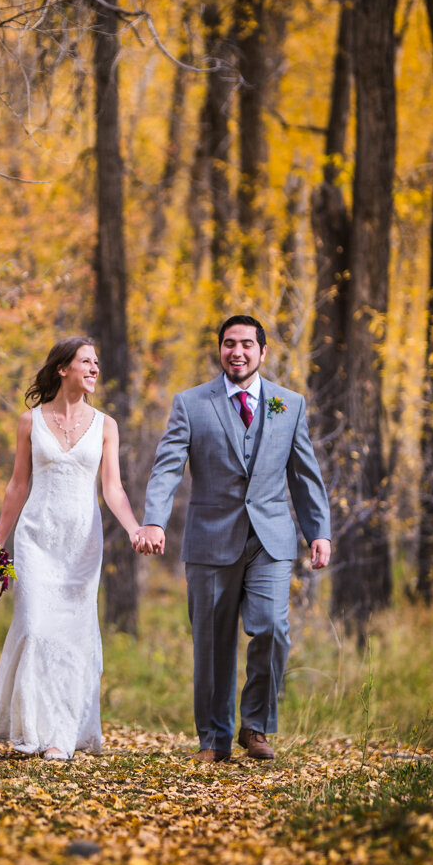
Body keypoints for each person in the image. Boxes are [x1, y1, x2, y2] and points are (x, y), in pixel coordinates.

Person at [135, 315, 332, 762]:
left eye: (246, 344)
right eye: (228, 344)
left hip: (271, 539)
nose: (236, 352)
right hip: (210, 540)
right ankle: (214, 740)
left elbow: (304, 473)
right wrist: (155, 521)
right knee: (211, 641)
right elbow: (167, 467)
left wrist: (317, 531)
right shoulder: (191, 403)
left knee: (273, 629)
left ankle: (256, 726)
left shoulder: (288, 404)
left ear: (263, 353)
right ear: (219, 350)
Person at [0, 338, 145, 760]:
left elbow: (113, 489)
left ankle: (62, 735)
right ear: (62, 369)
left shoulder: (106, 425)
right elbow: (18, 485)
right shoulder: (29, 422)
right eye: (85, 362)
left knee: (72, 638)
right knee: (35, 628)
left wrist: (133, 529)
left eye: (96, 362)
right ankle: (29, 731)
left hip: (81, 547)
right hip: (37, 540)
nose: (94, 369)